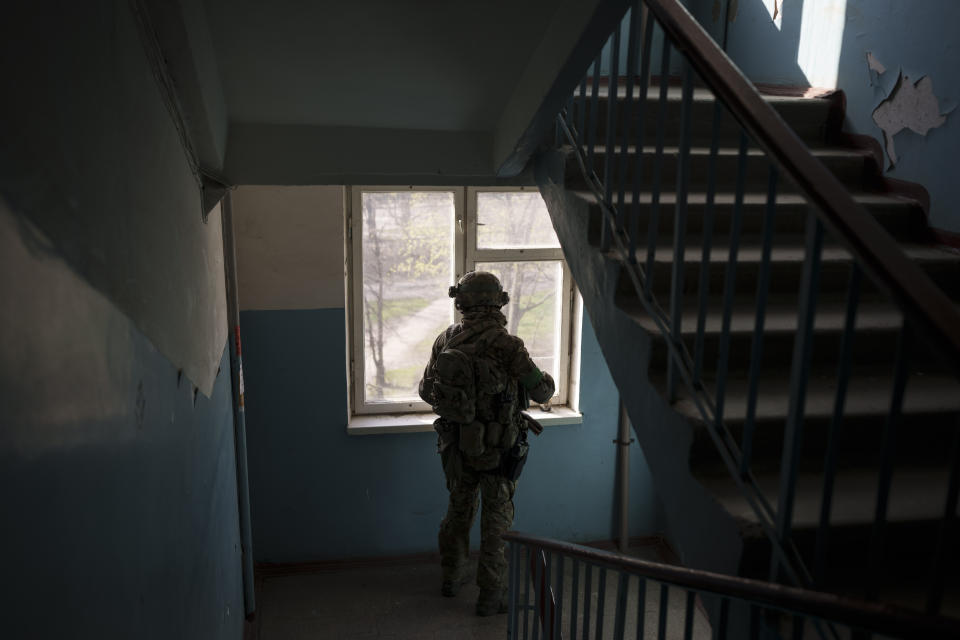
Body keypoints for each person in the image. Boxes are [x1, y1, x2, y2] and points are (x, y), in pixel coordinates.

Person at [418, 271, 555, 616]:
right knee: (496, 522)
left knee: (458, 512)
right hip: (498, 450)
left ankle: (452, 578)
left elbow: (425, 391)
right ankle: (490, 596)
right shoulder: (508, 346)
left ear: (460, 301)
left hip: (457, 447)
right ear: (498, 302)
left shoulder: (446, 339)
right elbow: (542, 392)